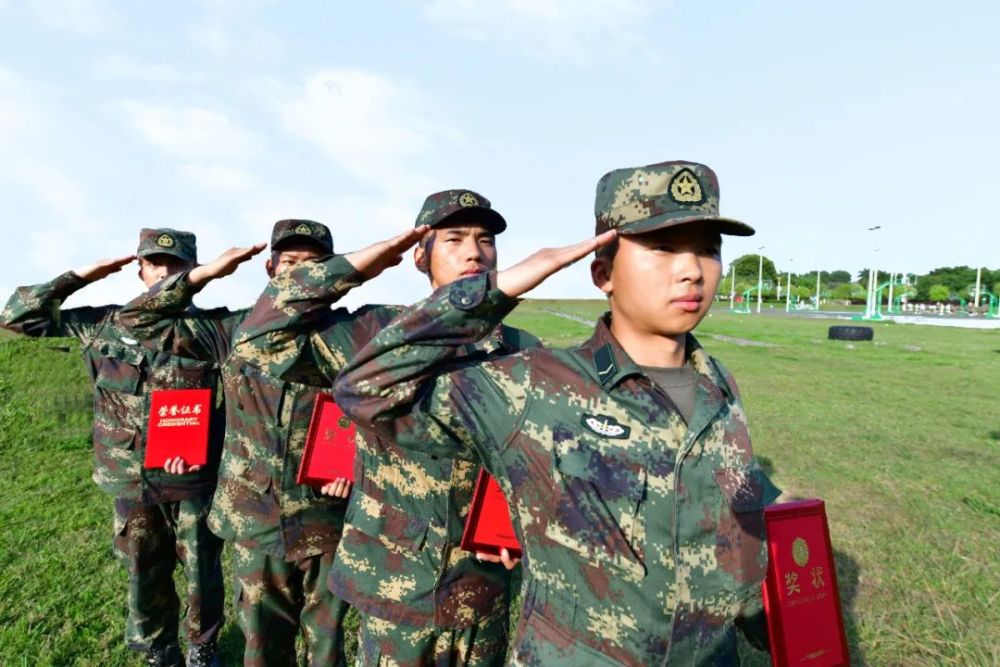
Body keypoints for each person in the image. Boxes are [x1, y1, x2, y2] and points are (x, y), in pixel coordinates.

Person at [333, 161, 781, 665]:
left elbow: (733, 506)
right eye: (661, 248)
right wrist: (501, 287)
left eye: (707, 249)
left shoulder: (716, 385)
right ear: (602, 272)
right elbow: (363, 387)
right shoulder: (536, 382)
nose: (691, 269)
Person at [119, 219, 424, 667]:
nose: (300, 275)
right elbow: (139, 318)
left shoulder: (360, 332)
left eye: (314, 265)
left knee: (328, 646)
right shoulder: (233, 332)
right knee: (262, 646)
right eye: (291, 264)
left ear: (331, 274)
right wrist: (201, 275)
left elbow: (392, 407)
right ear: (269, 268)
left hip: (332, 517)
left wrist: (358, 463)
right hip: (255, 520)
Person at [0, 229, 246, 667]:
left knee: (200, 573)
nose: (165, 273)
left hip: (194, 478)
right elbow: (18, 318)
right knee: (142, 572)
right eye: (156, 264)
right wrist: (78, 276)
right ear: (140, 270)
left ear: (193, 270)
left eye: (175, 266)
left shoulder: (213, 330)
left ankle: (201, 647)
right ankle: (158, 649)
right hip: (131, 478)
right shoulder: (103, 325)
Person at [321, 191, 540, 666]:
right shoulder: (375, 333)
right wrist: (354, 267)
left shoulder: (524, 351)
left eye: (485, 240)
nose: (474, 252)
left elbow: (538, 460)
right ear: (420, 255)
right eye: (455, 239)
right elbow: (265, 339)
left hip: (483, 583)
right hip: (396, 589)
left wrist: (528, 531)